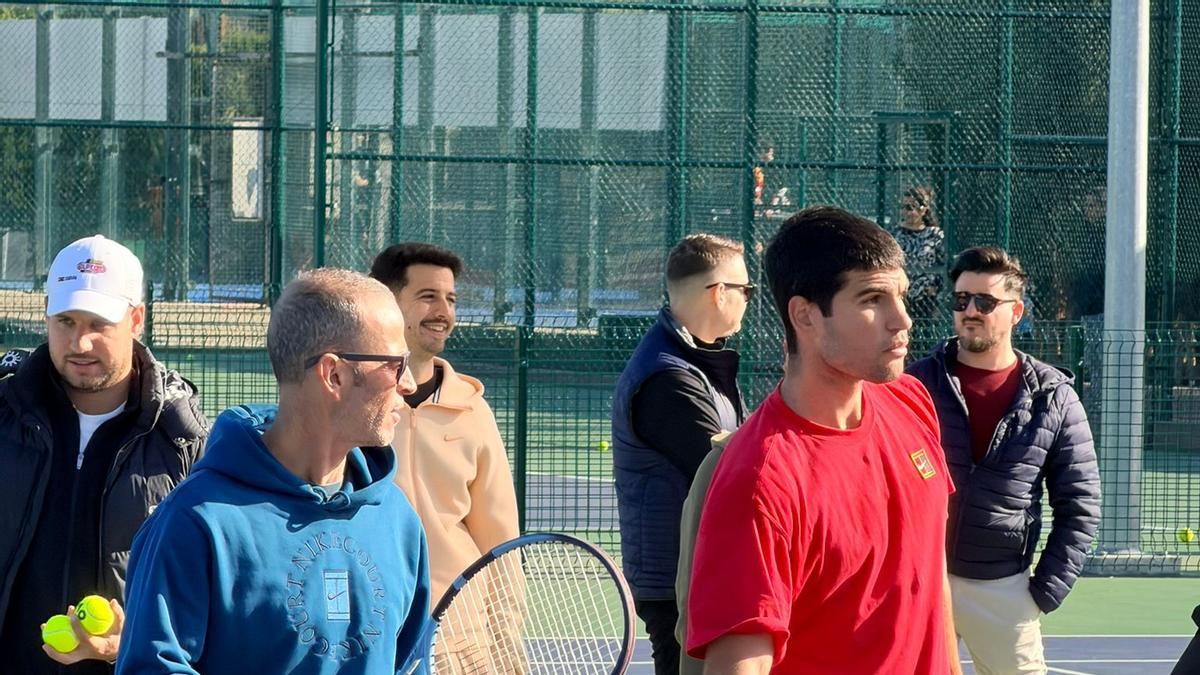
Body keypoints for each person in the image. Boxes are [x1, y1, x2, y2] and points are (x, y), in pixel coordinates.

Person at [686, 206, 960, 674]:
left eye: (902, 296)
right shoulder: (760, 479)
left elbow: (931, 577)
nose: (902, 320)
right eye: (872, 299)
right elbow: (739, 664)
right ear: (805, 316)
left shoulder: (911, 401)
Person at [117, 269, 432, 674]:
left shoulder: (398, 521)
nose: (408, 383)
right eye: (394, 363)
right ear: (333, 374)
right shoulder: (195, 521)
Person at [0, 234, 208, 674]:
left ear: (136, 320)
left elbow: (203, 591)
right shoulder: (5, 413)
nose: (79, 343)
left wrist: (133, 635)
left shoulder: (184, 442)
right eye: (66, 321)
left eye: (98, 323)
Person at [907, 246, 1101, 675]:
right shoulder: (915, 384)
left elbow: (1080, 505)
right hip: (917, 582)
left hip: (1002, 588)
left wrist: (1043, 591)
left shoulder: (1055, 397)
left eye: (985, 302)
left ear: (1016, 312)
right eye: (961, 300)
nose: (970, 311)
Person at [369, 243, 521, 669]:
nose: (443, 311)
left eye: (451, 299)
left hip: (461, 640)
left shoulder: (474, 411)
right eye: (427, 296)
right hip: (377, 634)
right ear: (387, 303)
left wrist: (506, 648)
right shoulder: (354, 403)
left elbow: (501, 541)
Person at [612, 234, 749, 675]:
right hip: (678, 581)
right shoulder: (667, 376)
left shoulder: (692, 362)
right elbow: (732, 469)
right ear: (718, 293)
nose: (749, 299)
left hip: (693, 573)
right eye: (745, 290)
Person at [896, 186, 947, 319]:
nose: (905, 212)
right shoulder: (895, 233)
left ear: (923, 209)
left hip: (926, 295)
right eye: (903, 207)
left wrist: (936, 288)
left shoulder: (934, 235)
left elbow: (943, 262)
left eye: (910, 207)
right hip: (901, 293)